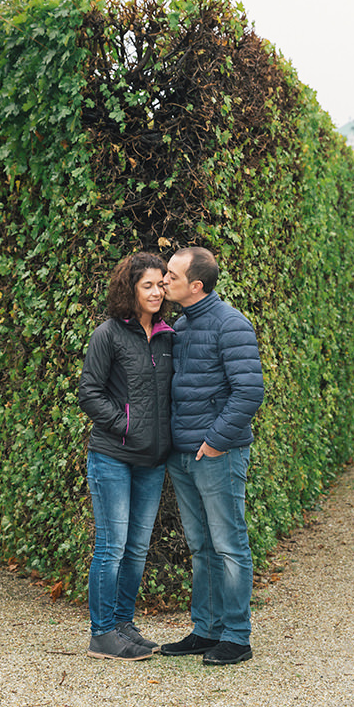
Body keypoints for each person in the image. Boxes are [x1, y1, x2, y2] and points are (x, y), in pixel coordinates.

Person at [159, 247, 264, 666]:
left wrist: (216, 442)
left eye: (171, 275)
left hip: (216, 455)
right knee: (201, 546)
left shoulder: (231, 325)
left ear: (195, 285)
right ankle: (206, 630)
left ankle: (237, 637)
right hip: (183, 455)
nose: (164, 280)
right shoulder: (181, 326)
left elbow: (249, 392)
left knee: (229, 545)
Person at [77, 252, 175, 661]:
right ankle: (101, 633)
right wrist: (127, 426)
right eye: (147, 285)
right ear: (130, 289)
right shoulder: (109, 334)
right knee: (112, 546)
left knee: (136, 548)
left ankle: (122, 624)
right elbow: (89, 392)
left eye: (159, 284)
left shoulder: (170, 334)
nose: (156, 291)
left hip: (152, 461)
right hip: (113, 457)